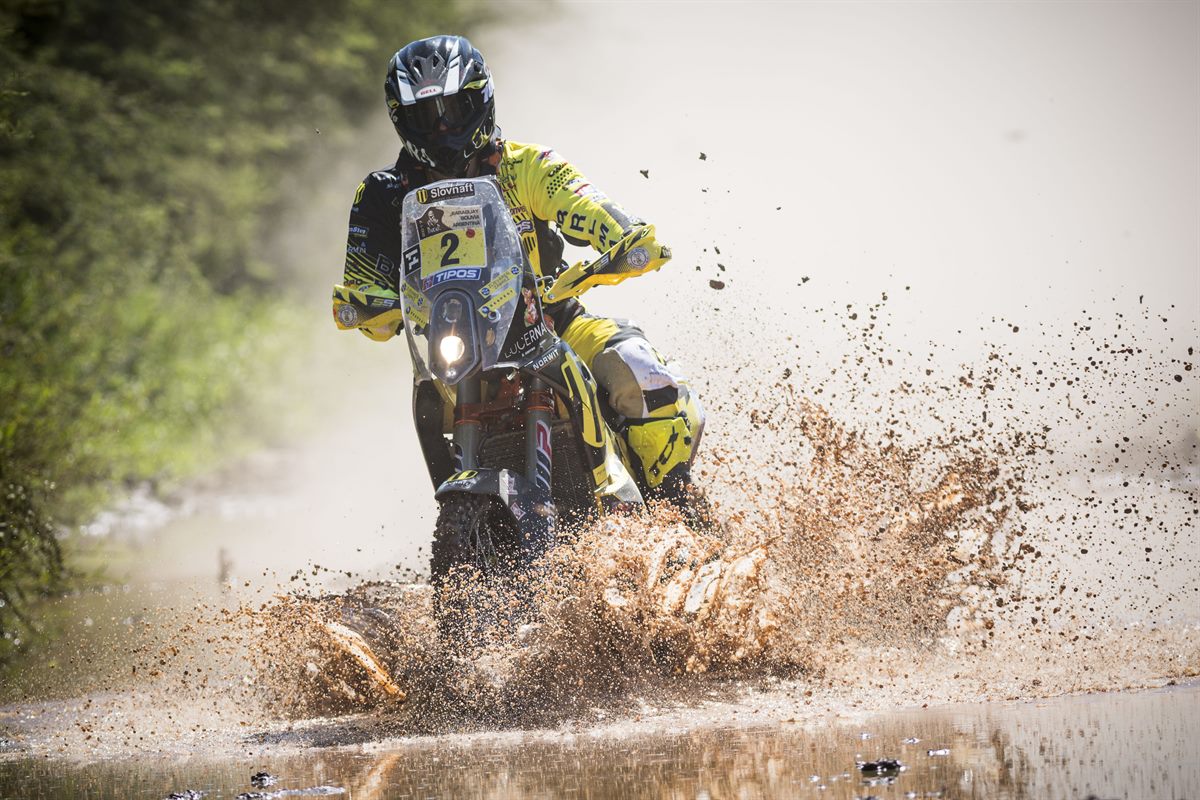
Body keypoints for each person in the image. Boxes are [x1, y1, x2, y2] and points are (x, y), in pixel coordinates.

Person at [335, 34, 704, 509]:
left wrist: (623, 238)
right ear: (400, 118)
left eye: (454, 109)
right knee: (427, 396)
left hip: (554, 321)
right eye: (426, 116)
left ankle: (676, 511)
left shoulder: (528, 166)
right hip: (455, 347)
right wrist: (364, 304)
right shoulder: (381, 195)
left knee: (641, 370)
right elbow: (364, 277)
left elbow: (592, 207)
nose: (442, 128)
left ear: (481, 99)